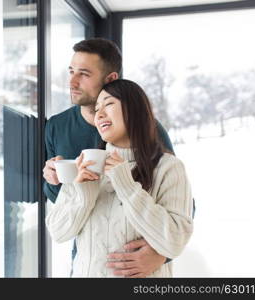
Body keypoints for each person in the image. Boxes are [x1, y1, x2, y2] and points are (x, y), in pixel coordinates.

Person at [43, 38, 175, 277]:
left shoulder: (148, 128)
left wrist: (161, 254)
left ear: (111, 79)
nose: (72, 81)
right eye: (71, 71)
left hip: (137, 265)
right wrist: (53, 182)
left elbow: (179, 203)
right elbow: (61, 207)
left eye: (84, 73)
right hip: (87, 261)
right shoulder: (56, 126)